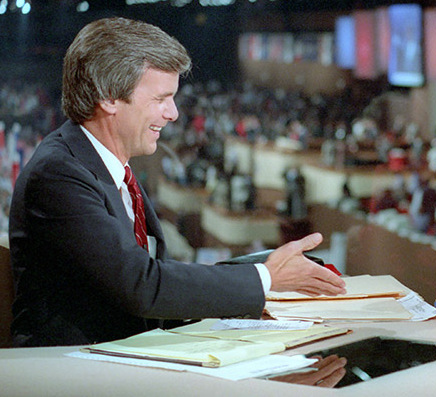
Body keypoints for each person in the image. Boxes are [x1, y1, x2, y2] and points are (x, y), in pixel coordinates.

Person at [9, 17, 345, 347]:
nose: (174, 114)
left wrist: (259, 268)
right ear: (109, 96)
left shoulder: (107, 164)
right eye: (160, 99)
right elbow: (141, 285)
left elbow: (148, 277)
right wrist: (265, 279)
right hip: (70, 370)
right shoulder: (59, 173)